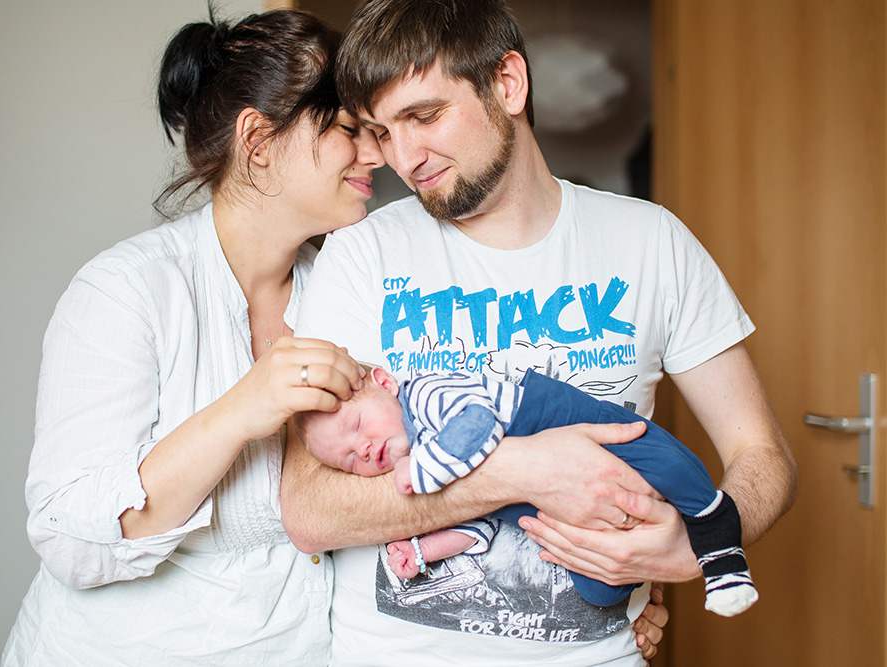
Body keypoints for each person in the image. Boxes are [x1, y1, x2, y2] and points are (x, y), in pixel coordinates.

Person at [279, 0, 797, 665]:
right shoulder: (360, 255)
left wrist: (692, 545)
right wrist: (521, 469)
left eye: (425, 115)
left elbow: (764, 455)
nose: (403, 157)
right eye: (382, 130)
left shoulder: (652, 243)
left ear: (508, 84)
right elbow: (309, 508)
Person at [1, 10, 380, 664]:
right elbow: (69, 538)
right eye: (349, 129)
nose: (375, 153)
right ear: (258, 139)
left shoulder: (353, 292)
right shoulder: (126, 291)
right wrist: (241, 410)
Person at [295, 366, 757, 617]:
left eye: (358, 426)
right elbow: (480, 525)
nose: (365, 448)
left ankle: (721, 555)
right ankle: (643, 576)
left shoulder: (425, 397)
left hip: (565, 419)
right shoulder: (419, 453)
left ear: (384, 382)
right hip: (552, 512)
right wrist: (423, 548)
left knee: (666, 464)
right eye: (349, 460)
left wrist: (422, 471)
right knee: (601, 591)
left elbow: (478, 425)